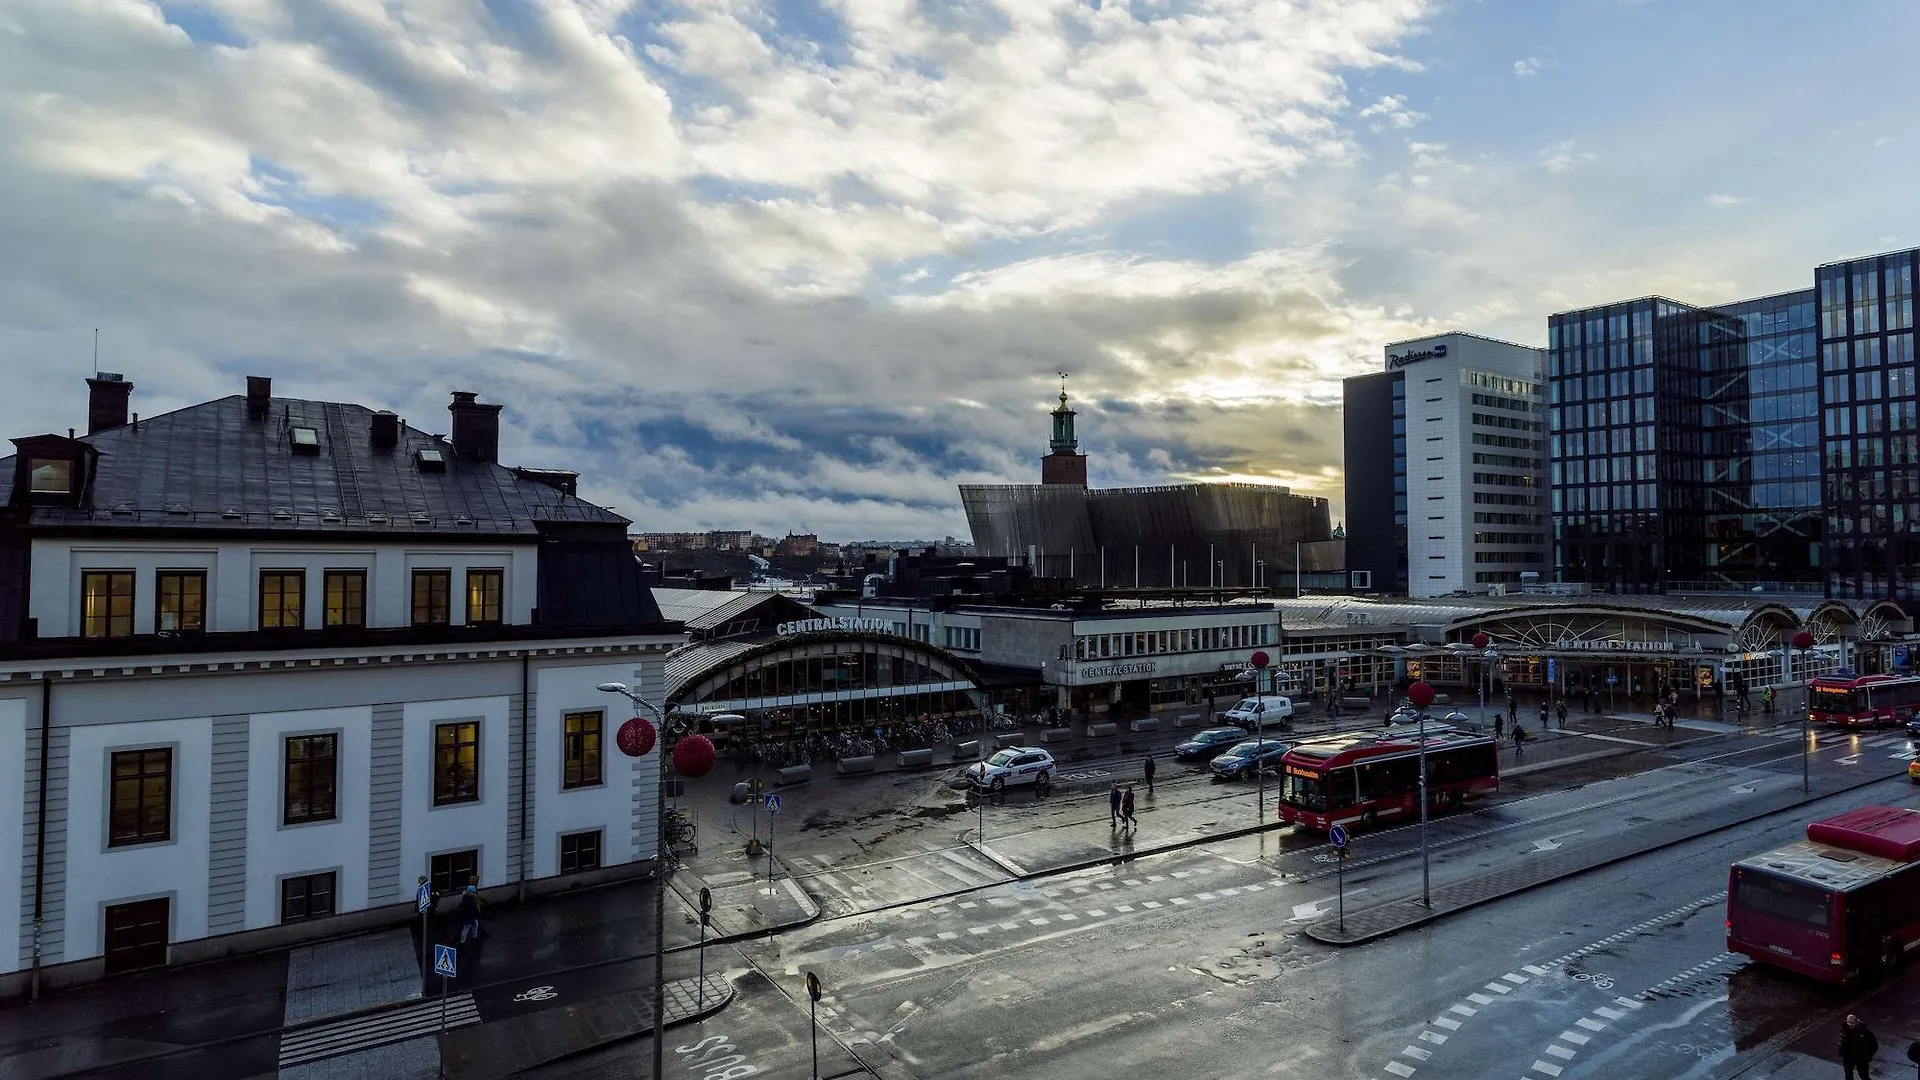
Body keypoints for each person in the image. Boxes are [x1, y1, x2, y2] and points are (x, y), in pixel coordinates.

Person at [1840, 1013, 1877, 1080]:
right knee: (1848, 1075)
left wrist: (1868, 1056)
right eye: (1849, 1022)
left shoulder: (1864, 1032)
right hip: (1848, 1057)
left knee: (1864, 1076)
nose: (1850, 1024)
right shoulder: (1844, 1029)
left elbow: (1874, 1044)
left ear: (1856, 1021)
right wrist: (1841, 1051)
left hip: (1861, 1058)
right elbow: (1842, 1041)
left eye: (1852, 1023)